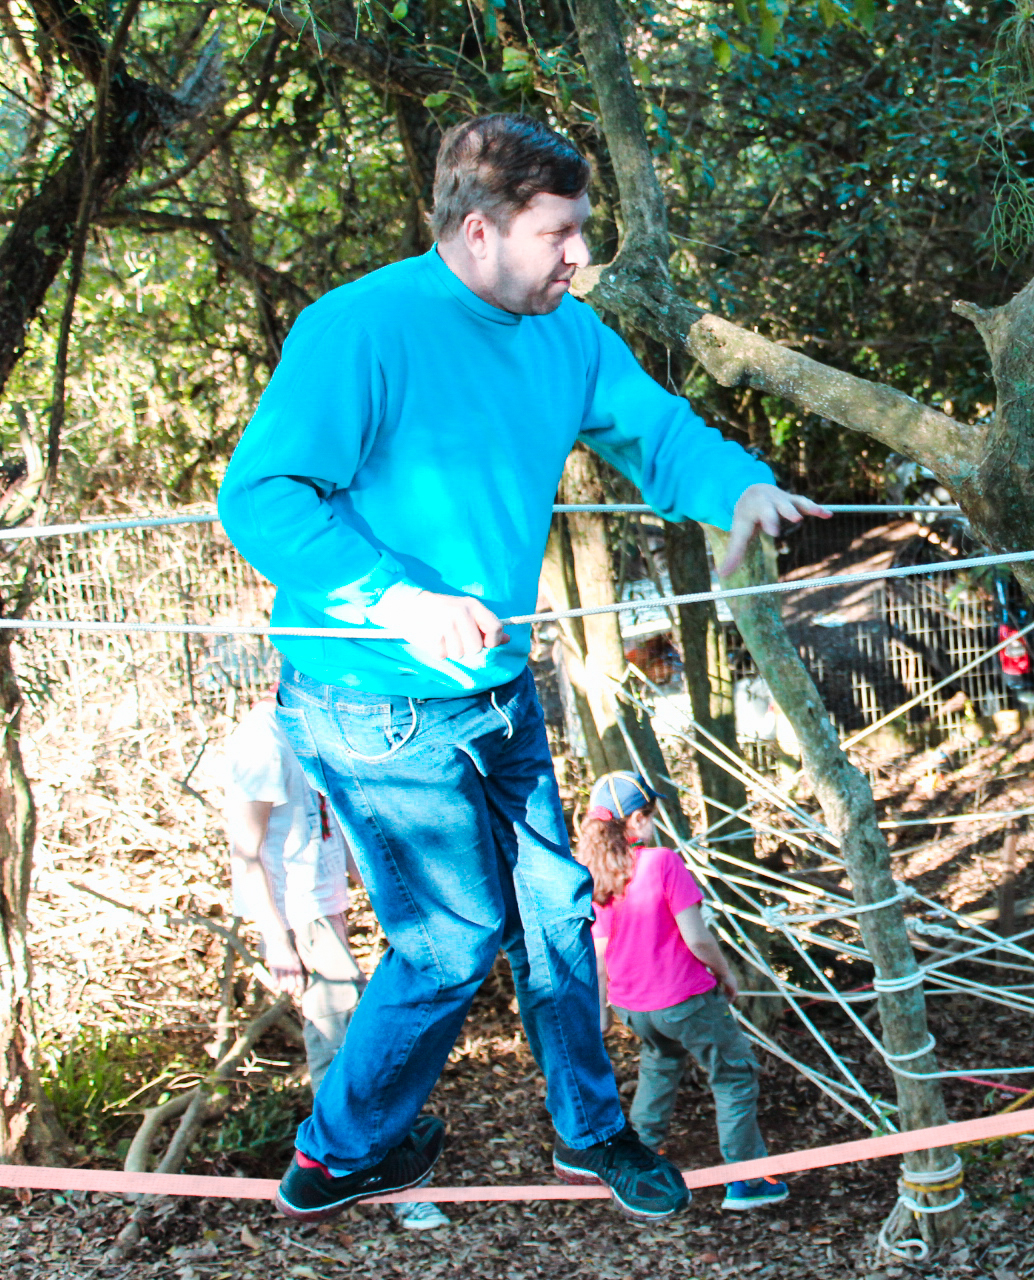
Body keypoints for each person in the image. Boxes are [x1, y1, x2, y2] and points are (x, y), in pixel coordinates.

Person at [216, 112, 828, 1225]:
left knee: (557, 905)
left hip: (494, 689)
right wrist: (396, 600)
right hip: (371, 703)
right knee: (450, 941)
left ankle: (590, 1131)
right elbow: (260, 500)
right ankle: (337, 1153)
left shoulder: (568, 335)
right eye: (561, 233)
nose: (580, 255)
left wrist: (736, 485)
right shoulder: (358, 329)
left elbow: (654, 431)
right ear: (481, 232)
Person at [212, 696, 453, 1231]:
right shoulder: (262, 738)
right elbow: (245, 853)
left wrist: (387, 896)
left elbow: (333, 822)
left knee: (359, 1040)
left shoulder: (311, 723)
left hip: (327, 906)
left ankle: (355, 1167)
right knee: (347, 1043)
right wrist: (277, 938)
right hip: (301, 916)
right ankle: (356, 1172)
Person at [576, 772, 787, 1211]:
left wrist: (601, 1013)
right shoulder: (661, 862)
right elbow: (697, 938)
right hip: (684, 999)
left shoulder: (598, 876)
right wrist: (725, 974)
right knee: (733, 1074)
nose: (654, 823)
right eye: (650, 814)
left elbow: (598, 956)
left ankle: (636, 1172)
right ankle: (746, 1180)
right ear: (637, 820)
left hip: (634, 1008)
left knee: (660, 1064)